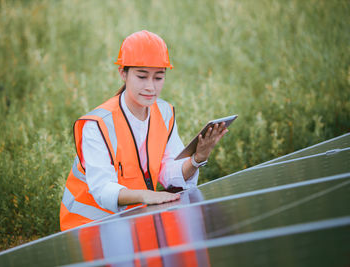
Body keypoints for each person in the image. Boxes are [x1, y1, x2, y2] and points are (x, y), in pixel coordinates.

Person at [60, 30, 228, 231]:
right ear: (123, 73)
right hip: (87, 227)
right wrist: (146, 195)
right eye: (142, 76)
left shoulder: (164, 112)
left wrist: (197, 159)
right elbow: (103, 190)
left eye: (158, 78)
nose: (150, 87)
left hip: (133, 218)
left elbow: (168, 172)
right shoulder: (97, 124)